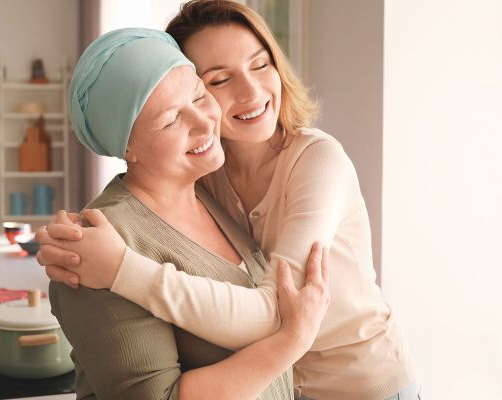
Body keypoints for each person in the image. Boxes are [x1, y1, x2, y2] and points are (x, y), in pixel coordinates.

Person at [38, 1, 419, 399]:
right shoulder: (208, 174)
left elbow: (275, 312)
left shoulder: (316, 161)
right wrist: (66, 240)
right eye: (217, 82)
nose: (251, 91)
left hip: (363, 384)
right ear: (124, 145)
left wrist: (121, 269)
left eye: (259, 64)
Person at [48, 27, 330, 400]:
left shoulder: (212, 194)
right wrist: (293, 339)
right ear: (126, 146)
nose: (203, 122)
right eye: (171, 120)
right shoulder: (96, 246)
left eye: (199, 96)